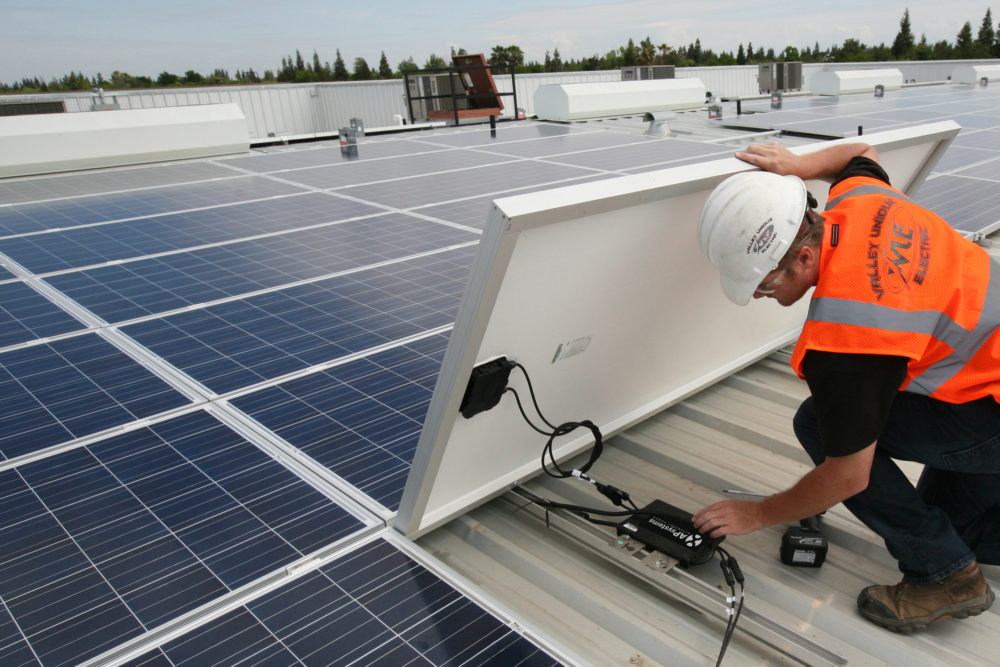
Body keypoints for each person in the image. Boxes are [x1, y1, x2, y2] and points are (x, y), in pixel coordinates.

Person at [692, 140, 1000, 633]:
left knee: (817, 423)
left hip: (992, 413)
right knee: (951, 524)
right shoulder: (861, 201)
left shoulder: (847, 335)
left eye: (764, 283)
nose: (757, 294)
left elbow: (848, 477)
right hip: (988, 369)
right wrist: (799, 165)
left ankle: (947, 578)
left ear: (805, 257)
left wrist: (759, 513)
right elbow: (862, 151)